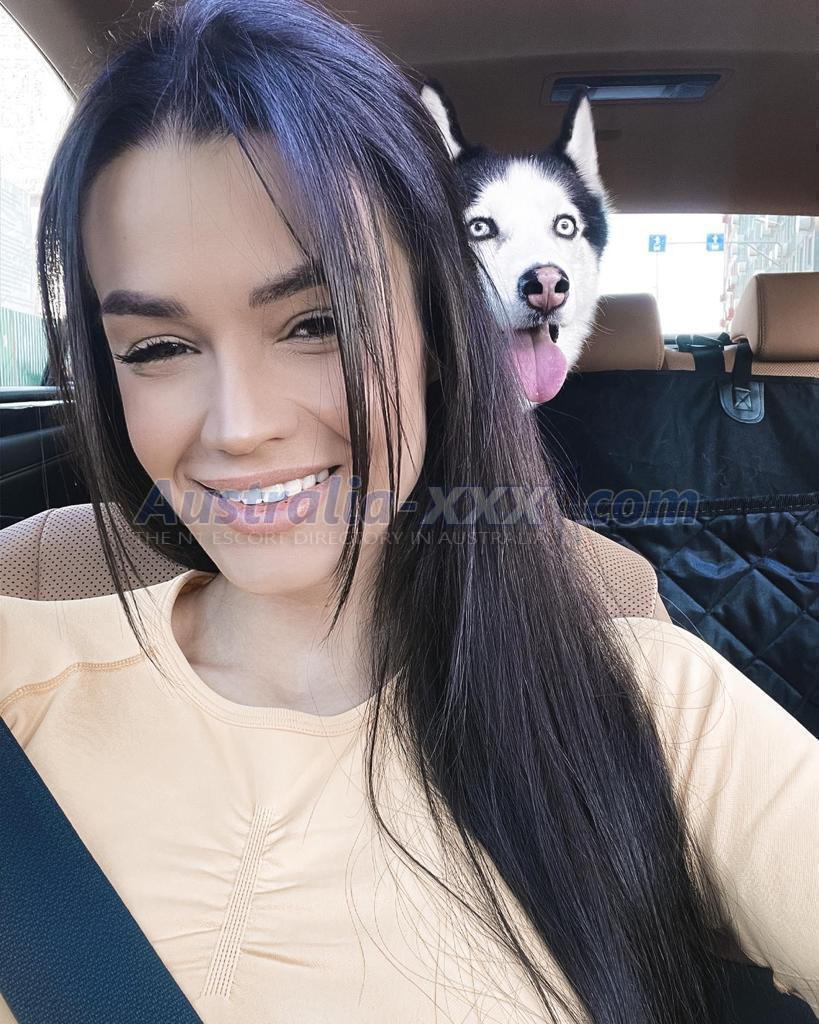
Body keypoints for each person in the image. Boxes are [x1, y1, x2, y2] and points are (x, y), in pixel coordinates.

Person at [1, 0, 816, 1021]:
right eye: (158, 347)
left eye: (317, 323)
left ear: (440, 328)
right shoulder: (21, 658)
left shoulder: (653, 707)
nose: (240, 427)